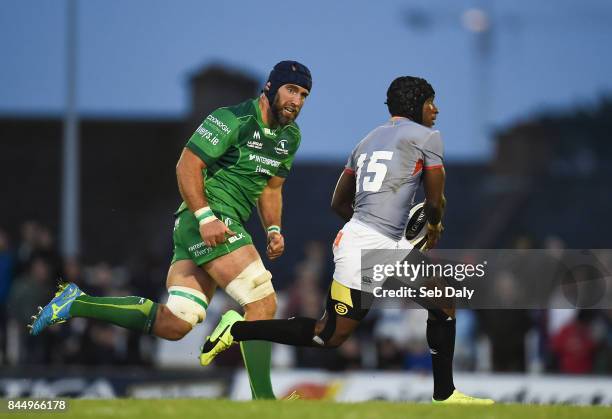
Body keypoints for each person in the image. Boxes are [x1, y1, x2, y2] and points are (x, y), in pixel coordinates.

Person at [200, 76, 493, 404]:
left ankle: (445, 394)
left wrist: (369, 228)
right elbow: (435, 201)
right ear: (415, 105)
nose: (435, 110)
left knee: (431, 303)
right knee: (331, 335)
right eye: (430, 102)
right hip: (375, 243)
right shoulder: (428, 137)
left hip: (362, 239)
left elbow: (338, 203)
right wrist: (434, 227)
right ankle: (237, 330)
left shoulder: (366, 141)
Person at [28, 60, 312, 400]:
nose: (297, 100)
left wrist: (274, 228)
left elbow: (270, 189)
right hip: (208, 220)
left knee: (177, 322)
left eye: (304, 94)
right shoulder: (232, 119)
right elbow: (187, 165)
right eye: (291, 90)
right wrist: (206, 216)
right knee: (262, 300)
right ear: (270, 87)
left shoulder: (290, 138)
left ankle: (76, 303)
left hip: (212, 226)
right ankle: (264, 402)